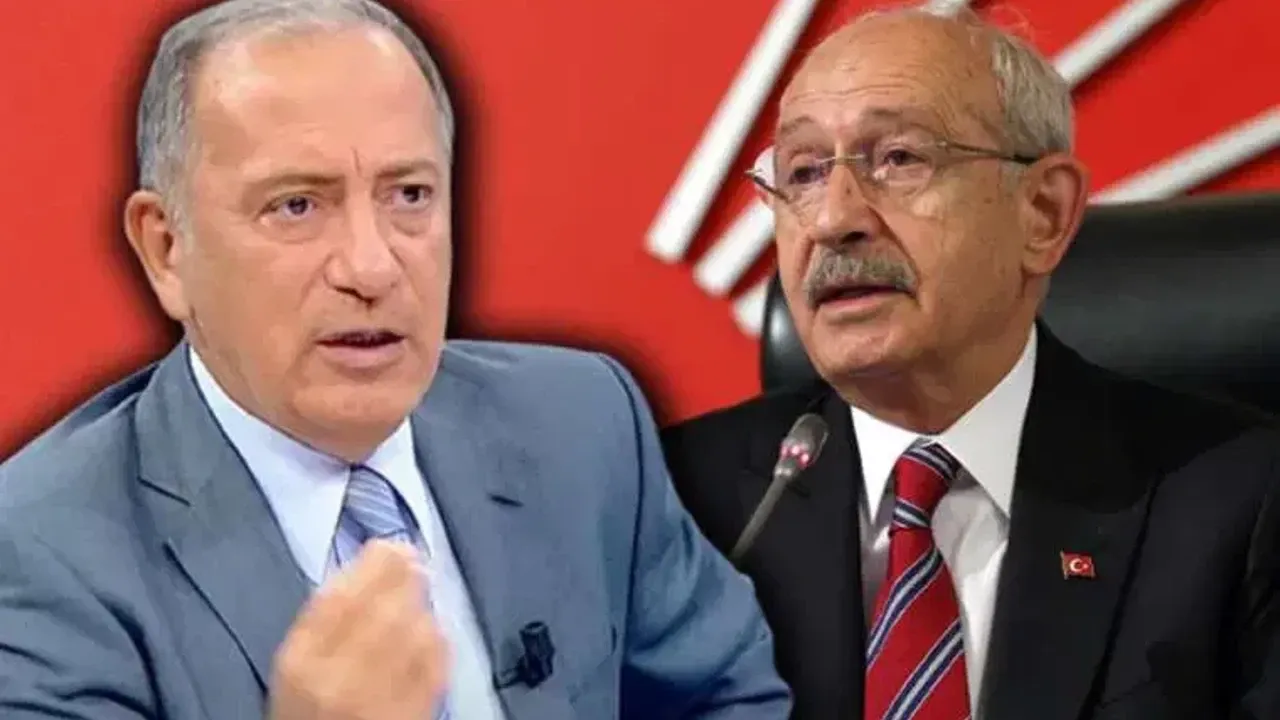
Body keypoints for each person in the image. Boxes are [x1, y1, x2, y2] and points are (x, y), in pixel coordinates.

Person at [0, 1, 792, 718]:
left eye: (409, 195)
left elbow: (729, 698)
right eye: (296, 206)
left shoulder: (579, 424)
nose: (371, 267)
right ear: (167, 250)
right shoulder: (41, 554)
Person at [661, 6, 1280, 720]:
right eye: (802, 173)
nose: (833, 219)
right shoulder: (676, 507)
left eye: (898, 159)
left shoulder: (1242, 503)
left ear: (1043, 213)